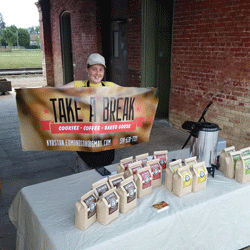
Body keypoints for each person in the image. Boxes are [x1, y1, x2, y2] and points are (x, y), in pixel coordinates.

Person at [64, 53, 118, 169]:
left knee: (105, 175)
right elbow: (56, 93)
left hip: (105, 142)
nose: (98, 73)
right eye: (94, 69)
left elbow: (131, 95)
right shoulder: (78, 85)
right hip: (85, 144)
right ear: (87, 69)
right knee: (85, 176)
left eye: (101, 70)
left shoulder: (109, 86)